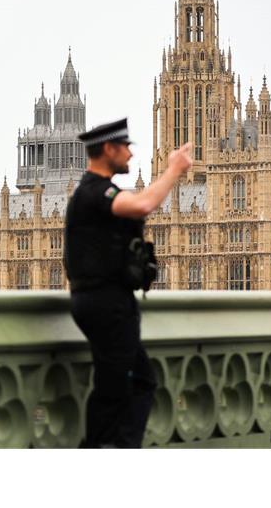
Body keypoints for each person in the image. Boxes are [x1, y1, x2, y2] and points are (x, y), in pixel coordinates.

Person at [63, 117, 192, 447]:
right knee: (114, 389)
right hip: (104, 303)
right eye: (125, 148)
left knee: (141, 382)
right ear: (108, 149)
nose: (131, 155)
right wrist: (174, 170)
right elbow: (144, 204)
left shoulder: (98, 191)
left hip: (112, 301)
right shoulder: (95, 190)